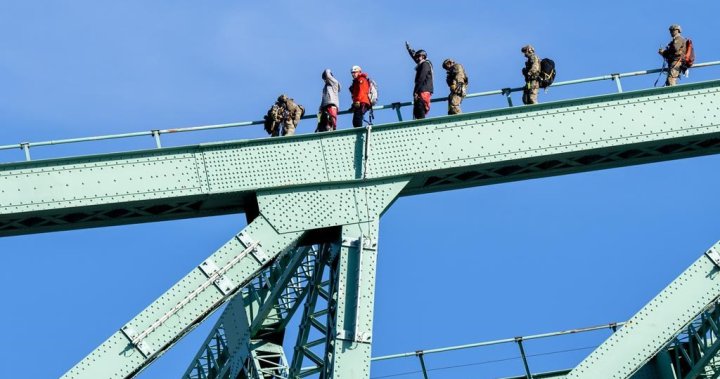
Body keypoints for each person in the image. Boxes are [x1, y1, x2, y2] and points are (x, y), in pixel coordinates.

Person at [405, 42, 434, 119]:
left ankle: (421, 124)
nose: (417, 58)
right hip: (422, 89)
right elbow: (415, 57)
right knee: (418, 109)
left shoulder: (425, 64)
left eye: (418, 56)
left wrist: (415, 91)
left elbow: (421, 78)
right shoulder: (423, 64)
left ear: (423, 56)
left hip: (423, 90)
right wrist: (410, 50)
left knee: (420, 106)